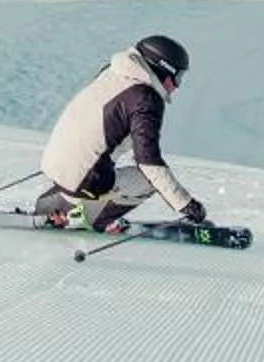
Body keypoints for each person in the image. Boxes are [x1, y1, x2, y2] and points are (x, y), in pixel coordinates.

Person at [31, 34, 210, 232]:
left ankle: (57, 206)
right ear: (163, 70)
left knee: (93, 164)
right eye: (177, 77)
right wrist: (185, 204)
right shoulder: (146, 99)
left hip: (55, 163)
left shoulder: (111, 73)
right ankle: (90, 220)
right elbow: (148, 162)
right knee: (147, 181)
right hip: (81, 179)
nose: (176, 86)